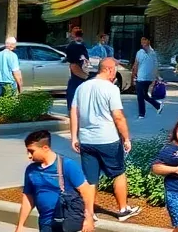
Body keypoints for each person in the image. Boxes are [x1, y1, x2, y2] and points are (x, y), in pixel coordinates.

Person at [69, 58, 140, 221]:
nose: (115, 72)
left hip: (86, 140)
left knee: (90, 177)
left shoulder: (82, 87)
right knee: (118, 173)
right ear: (109, 69)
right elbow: (118, 116)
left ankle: (89, 212)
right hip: (108, 139)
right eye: (115, 69)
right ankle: (123, 210)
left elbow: (74, 112)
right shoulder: (111, 89)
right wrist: (126, 138)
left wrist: (74, 137)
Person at [133, 36, 163, 118]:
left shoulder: (153, 53)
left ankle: (142, 113)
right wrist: (134, 75)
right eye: (141, 40)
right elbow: (135, 64)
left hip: (148, 78)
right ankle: (156, 106)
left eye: (144, 40)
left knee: (141, 96)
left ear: (149, 41)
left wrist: (157, 76)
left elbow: (156, 65)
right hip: (140, 77)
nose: (143, 42)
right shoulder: (139, 52)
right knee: (143, 95)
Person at [64, 29, 90, 102]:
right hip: (81, 68)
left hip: (75, 69)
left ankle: (72, 108)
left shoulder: (71, 46)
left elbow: (69, 58)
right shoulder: (84, 45)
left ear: (74, 34)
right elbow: (86, 57)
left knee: (72, 90)